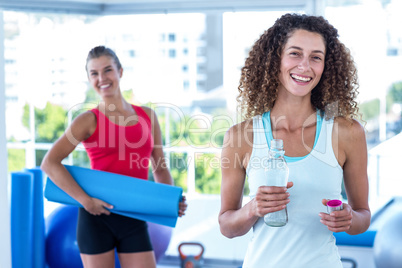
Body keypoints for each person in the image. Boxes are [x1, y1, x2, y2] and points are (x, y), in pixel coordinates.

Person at [218, 13, 370, 267]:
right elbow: (226, 226)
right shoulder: (239, 137)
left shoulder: (348, 133)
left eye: (316, 57)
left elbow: (363, 216)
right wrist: (253, 208)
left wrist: (349, 219)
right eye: (295, 53)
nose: (305, 66)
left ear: (326, 66)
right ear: (274, 59)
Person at [41, 46, 187, 268]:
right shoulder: (88, 120)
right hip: (96, 217)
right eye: (94, 73)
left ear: (120, 71)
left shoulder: (147, 116)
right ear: (89, 79)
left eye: (107, 70)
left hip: (133, 215)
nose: (102, 78)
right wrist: (85, 201)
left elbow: (159, 167)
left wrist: (169, 201)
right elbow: (49, 163)